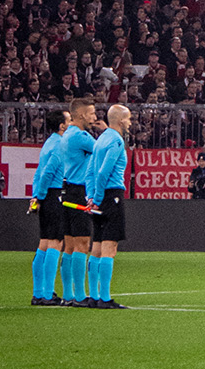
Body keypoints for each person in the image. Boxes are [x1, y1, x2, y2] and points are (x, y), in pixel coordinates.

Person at [83, 104, 132, 309]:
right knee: (110, 248)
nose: (130, 122)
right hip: (111, 196)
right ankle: (105, 298)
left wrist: (91, 196)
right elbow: (103, 172)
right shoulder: (116, 140)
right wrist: (100, 197)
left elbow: (89, 172)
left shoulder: (100, 139)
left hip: (99, 197)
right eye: (128, 119)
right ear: (120, 121)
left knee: (97, 247)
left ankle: (94, 295)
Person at [57, 98, 99, 308]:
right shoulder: (81, 137)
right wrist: (109, 130)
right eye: (92, 113)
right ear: (82, 115)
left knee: (70, 245)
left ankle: (68, 294)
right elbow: (103, 149)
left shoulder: (67, 135)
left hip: (67, 189)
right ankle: (80, 296)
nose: (95, 118)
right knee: (82, 244)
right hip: (78, 190)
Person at [27, 109, 69, 306]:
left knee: (44, 243)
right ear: (61, 125)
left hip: (45, 196)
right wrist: (42, 196)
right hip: (54, 195)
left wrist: (36, 197)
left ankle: (39, 293)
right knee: (55, 242)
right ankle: (47, 293)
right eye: (69, 120)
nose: (71, 123)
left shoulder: (48, 143)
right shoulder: (61, 144)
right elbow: (49, 172)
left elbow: (38, 172)